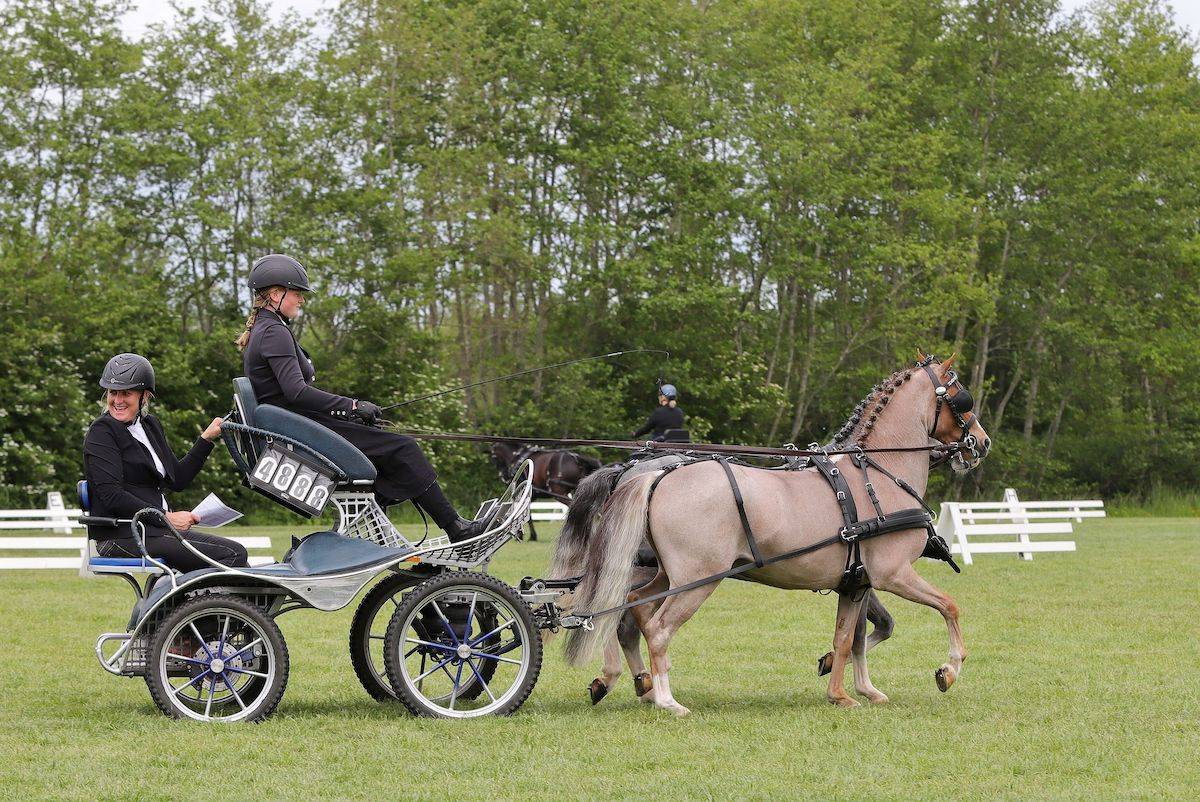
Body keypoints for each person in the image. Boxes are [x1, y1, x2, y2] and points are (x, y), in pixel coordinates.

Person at [237, 254, 491, 542]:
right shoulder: (274, 332)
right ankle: (456, 529)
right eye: (297, 293)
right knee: (404, 448)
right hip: (299, 433)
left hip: (296, 428)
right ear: (275, 294)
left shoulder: (266, 329)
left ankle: (373, 524)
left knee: (387, 446)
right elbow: (296, 392)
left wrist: (351, 413)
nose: (301, 300)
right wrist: (352, 406)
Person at [83, 353, 249, 572]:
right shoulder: (101, 432)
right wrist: (166, 518)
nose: (118, 400)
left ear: (145, 396)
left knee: (240, 561)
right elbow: (112, 495)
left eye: (126, 393)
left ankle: (200, 594)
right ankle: (193, 595)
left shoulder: (150, 425)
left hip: (154, 530)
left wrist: (206, 439)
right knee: (234, 554)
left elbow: (178, 479)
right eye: (113, 393)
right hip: (124, 535)